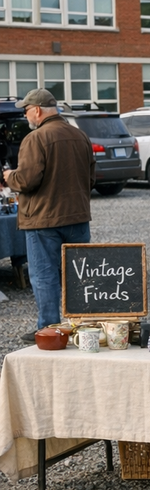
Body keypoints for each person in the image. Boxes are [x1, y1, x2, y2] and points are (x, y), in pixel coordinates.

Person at [2, 88, 94, 340]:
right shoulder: (80, 136)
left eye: (26, 110)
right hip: (78, 217)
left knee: (45, 276)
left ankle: (50, 329)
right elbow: (91, 179)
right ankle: (81, 327)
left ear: (37, 110)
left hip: (43, 220)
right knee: (78, 275)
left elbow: (27, 180)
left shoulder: (35, 138)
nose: (25, 115)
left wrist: (10, 177)